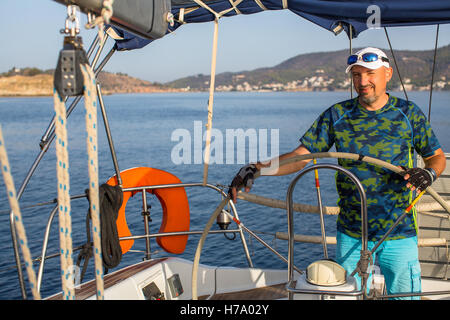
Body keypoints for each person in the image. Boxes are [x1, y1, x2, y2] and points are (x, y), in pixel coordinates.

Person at [229, 47, 446, 300]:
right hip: (352, 230)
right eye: (356, 75)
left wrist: (429, 174)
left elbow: (436, 156)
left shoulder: (408, 113)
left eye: (369, 73)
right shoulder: (338, 115)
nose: (362, 82)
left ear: (387, 73)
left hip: (399, 228)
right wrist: (257, 169)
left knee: (405, 297)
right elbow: (302, 157)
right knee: (347, 296)